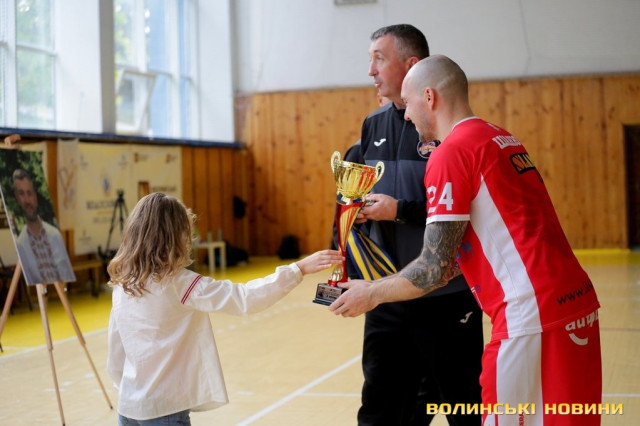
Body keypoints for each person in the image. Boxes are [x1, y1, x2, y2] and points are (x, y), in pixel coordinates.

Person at [330, 55, 602, 425]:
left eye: (408, 103)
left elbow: (433, 268)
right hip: (574, 303)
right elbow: (471, 249)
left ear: (429, 97)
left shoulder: (451, 152)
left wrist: (371, 293)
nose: (406, 116)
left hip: (529, 314)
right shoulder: (500, 137)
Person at [106, 192, 343, 425]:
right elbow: (245, 298)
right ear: (176, 236)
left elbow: (116, 352)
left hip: (129, 408)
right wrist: (298, 269)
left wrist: (129, 392)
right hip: (165, 410)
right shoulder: (181, 283)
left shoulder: (124, 284)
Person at [347, 24, 483, 425]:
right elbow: (356, 203)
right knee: (381, 410)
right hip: (387, 296)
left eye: (379, 58)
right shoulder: (372, 125)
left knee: (464, 406)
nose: (371, 70)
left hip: (446, 295)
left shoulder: (448, 129)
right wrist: (355, 215)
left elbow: (462, 208)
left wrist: (400, 210)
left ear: (411, 66)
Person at [11, 168, 75, 285]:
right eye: (22, 194)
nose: (27, 200)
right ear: (17, 199)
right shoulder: (22, 244)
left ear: (35, 197)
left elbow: (65, 273)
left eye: (29, 193)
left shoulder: (55, 235)